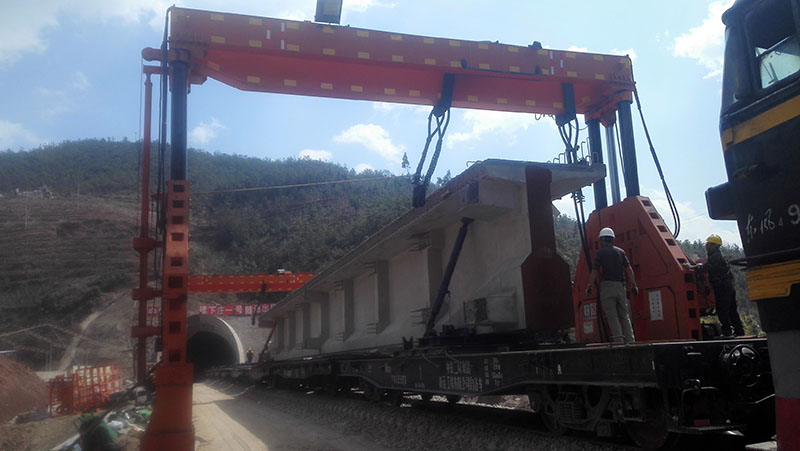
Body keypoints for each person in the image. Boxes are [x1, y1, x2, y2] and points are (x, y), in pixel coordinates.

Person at [585, 227, 639, 343]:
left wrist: (589, 285)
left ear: (602, 240)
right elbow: (629, 269)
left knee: (612, 316)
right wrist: (634, 285)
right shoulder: (621, 252)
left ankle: (619, 342)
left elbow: (595, 270)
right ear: (612, 239)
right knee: (624, 315)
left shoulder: (600, 253)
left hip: (607, 287)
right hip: (620, 287)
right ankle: (631, 341)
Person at [693, 234, 745, 338]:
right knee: (731, 310)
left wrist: (695, 267)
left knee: (722, 310)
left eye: (708, 244)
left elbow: (706, 268)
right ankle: (739, 331)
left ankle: (727, 331)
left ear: (714, 246)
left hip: (722, 288)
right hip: (728, 286)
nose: (706, 246)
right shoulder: (718, 256)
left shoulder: (716, 257)